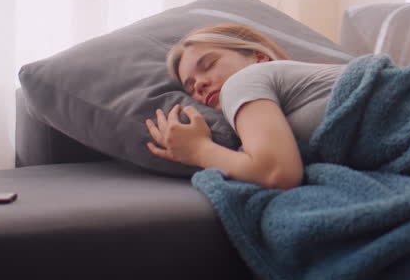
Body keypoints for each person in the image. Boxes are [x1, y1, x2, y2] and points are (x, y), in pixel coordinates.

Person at [145, 24, 343, 190]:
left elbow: (278, 173)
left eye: (208, 65)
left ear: (259, 57)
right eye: (191, 88)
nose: (199, 85)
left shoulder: (242, 80)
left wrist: (197, 150)